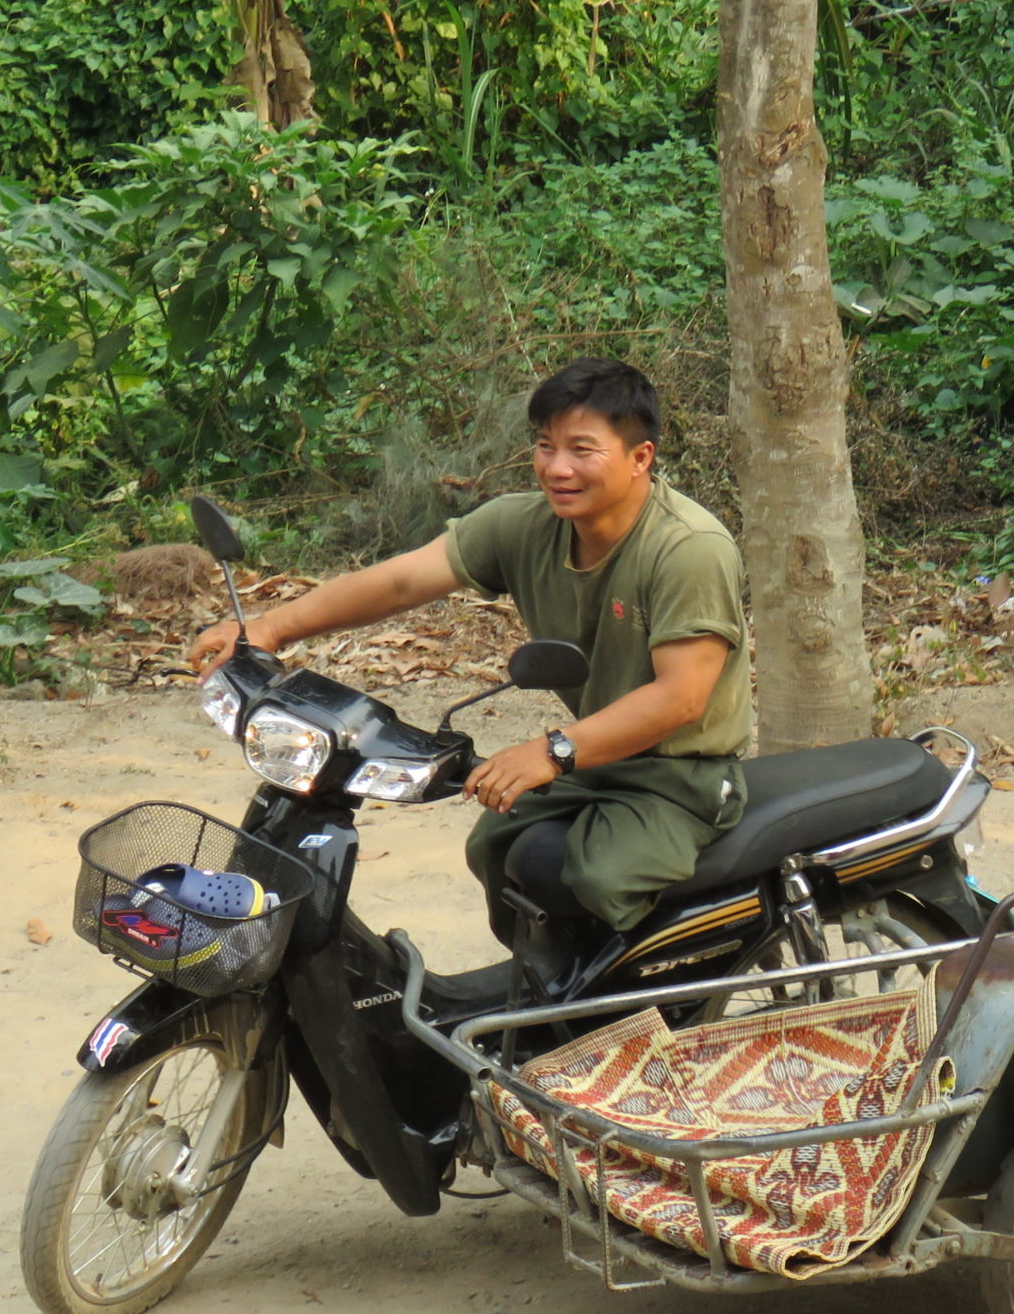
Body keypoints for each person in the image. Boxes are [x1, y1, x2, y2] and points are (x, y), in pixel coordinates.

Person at [187, 358, 748, 936]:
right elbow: (403, 579)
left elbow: (681, 699)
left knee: (600, 880)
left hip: (685, 777)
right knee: (495, 847)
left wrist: (551, 751)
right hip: (598, 762)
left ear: (640, 458)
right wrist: (270, 629)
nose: (557, 468)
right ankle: (540, 1004)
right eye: (544, 445)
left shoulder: (688, 548)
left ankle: (639, 1013)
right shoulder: (524, 526)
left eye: (583, 450)